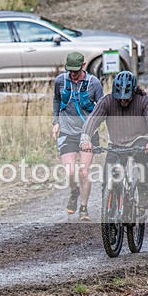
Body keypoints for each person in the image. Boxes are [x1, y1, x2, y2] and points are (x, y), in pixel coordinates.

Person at [79, 71, 148, 211]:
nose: (123, 101)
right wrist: (85, 139)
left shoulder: (144, 101)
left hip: (139, 139)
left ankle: (144, 190)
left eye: (127, 98)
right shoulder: (106, 101)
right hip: (116, 143)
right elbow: (92, 121)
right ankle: (109, 207)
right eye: (120, 98)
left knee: (141, 155)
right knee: (108, 179)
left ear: (134, 92)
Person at [52, 51, 104, 221]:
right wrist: (56, 122)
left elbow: (102, 107)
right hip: (67, 132)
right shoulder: (60, 81)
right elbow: (56, 100)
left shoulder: (93, 83)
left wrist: (94, 126)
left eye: (76, 71)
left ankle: (83, 208)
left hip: (87, 134)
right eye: (70, 71)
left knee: (83, 171)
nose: (73, 74)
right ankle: (74, 191)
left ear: (83, 66)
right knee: (69, 171)